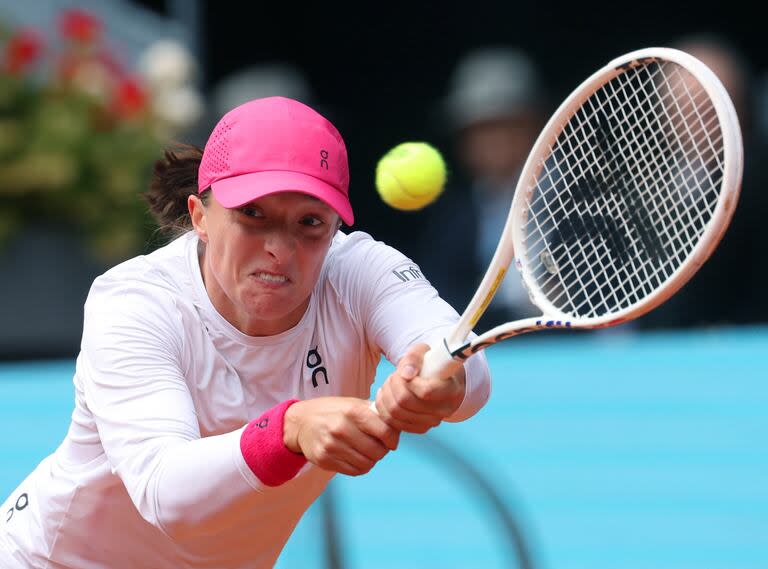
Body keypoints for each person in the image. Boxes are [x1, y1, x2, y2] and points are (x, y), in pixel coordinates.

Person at [0, 97, 491, 568]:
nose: (280, 248)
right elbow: (165, 493)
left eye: (310, 223)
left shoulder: (361, 271)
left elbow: (462, 363)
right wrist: (290, 429)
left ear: (335, 226)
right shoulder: (135, 302)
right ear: (200, 217)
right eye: (252, 214)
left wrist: (440, 385)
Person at [416, 47, 547, 330]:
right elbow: (439, 305)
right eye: (477, 129)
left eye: (501, 125)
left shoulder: (584, 199)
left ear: (533, 124)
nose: (489, 142)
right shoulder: (452, 220)